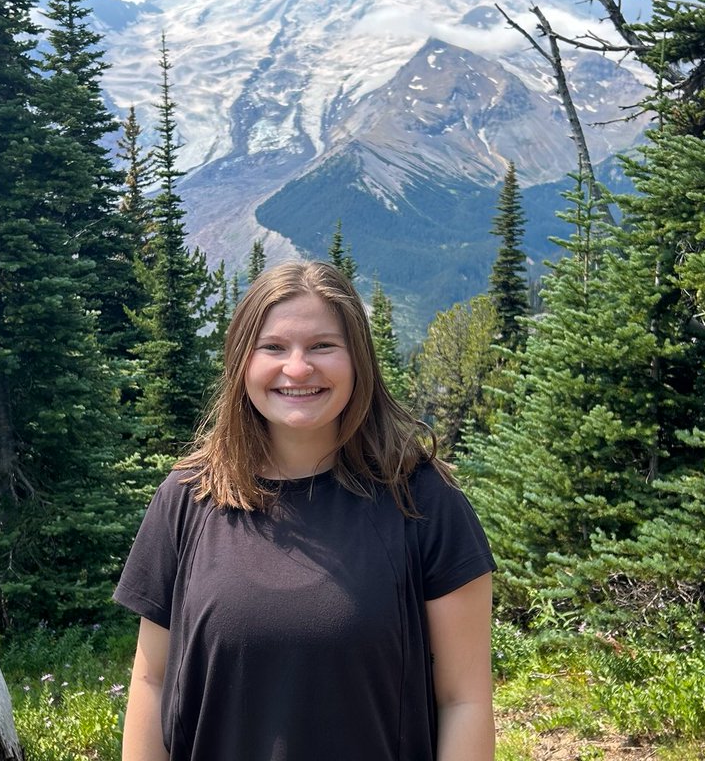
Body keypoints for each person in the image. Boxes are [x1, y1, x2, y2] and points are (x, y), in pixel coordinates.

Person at [114, 260, 496, 761]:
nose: (297, 368)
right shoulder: (189, 497)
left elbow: (464, 699)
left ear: (358, 360)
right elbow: (151, 680)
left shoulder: (423, 501)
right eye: (273, 347)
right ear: (241, 362)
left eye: (322, 346)